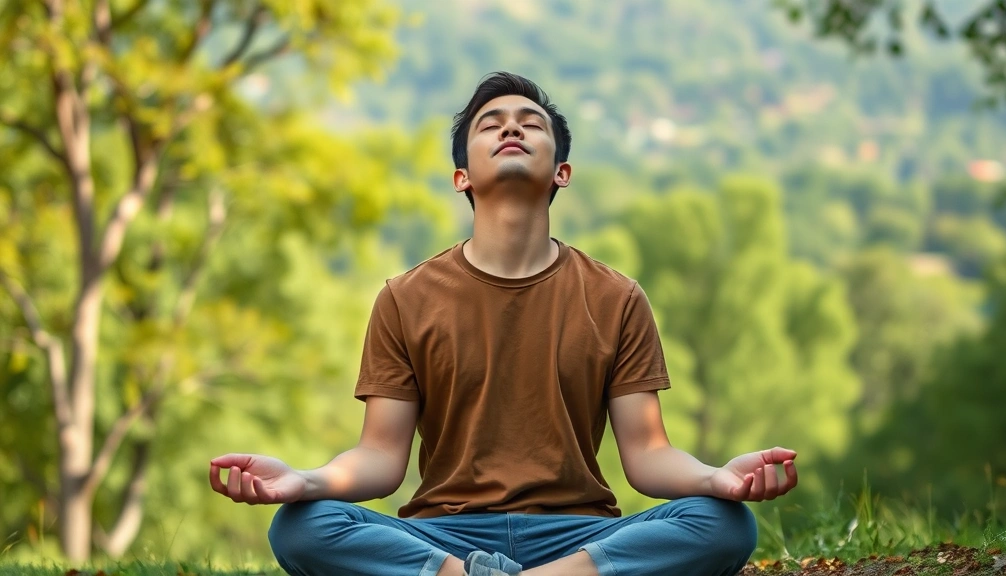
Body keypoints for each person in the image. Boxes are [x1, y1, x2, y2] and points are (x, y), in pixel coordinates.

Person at [209, 71, 799, 576]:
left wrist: (718, 479)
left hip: (578, 535)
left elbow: (647, 454)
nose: (512, 127)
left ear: (561, 172)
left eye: (530, 122)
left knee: (723, 524)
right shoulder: (404, 297)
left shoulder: (616, 297)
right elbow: (381, 458)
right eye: (490, 123)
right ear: (462, 175)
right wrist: (305, 482)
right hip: (443, 536)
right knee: (301, 528)